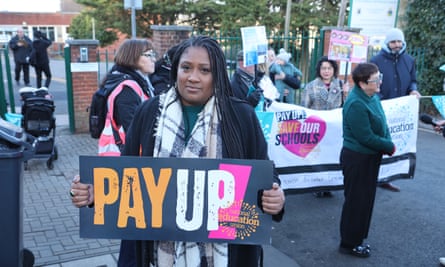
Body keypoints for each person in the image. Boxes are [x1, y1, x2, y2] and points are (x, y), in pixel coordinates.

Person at [71, 35, 285, 266]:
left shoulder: (241, 116)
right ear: (176, 70)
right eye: (186, 68)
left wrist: (276, 198)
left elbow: (265, 172)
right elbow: (126, 175)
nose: (193, 77)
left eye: (205, 70)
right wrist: (95, 194)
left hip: (225, 253)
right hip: (155, 254)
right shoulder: (149, 111)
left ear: (218, 76)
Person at [84, 38, 156, 267]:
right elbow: (135, 133)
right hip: (129, 169)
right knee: (134, 229)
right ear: (133, 57)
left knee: (135, 228)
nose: (153, 58)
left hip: (131, 166)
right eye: (148, 54)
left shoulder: (137, 82)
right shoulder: (127, 89)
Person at [339, 63, 395, 258]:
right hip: (358, 158)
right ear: (362, 84)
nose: (379, 81)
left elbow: (383, 122)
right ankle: (349, 243)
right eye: (375, 79)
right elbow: (365, 136)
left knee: (366, 200)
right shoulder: (355, 103)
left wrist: (386, 139)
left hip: (371, 157)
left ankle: (358, 238)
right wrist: (388, 146)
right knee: (356, 202)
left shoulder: (372, 96)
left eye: (379, 77)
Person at [370, 28, 421, 192]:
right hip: (381, 109)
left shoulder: (409, 60)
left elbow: (413, 80)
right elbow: (370, 84)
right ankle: (372, 177)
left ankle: (387, 177)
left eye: (399, 41)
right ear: (387, 43)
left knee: (395, 144)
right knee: (379, 143)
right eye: (393, 42)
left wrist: (413, 90)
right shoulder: (375, 61)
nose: (397, 45)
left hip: (401, 111)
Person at [301, 56, 349, 198]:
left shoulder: (341, 85)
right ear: (319, 70)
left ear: (334, 70)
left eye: (329, 68)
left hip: (334, 129)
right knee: (318, 157)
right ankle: (317, 185)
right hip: (317, 128)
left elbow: (348, 107)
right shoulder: (311, 86)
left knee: (332, 156)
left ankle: (329, 184)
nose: (326, 71)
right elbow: (304, 108)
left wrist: (346, 93)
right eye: (323, 68)